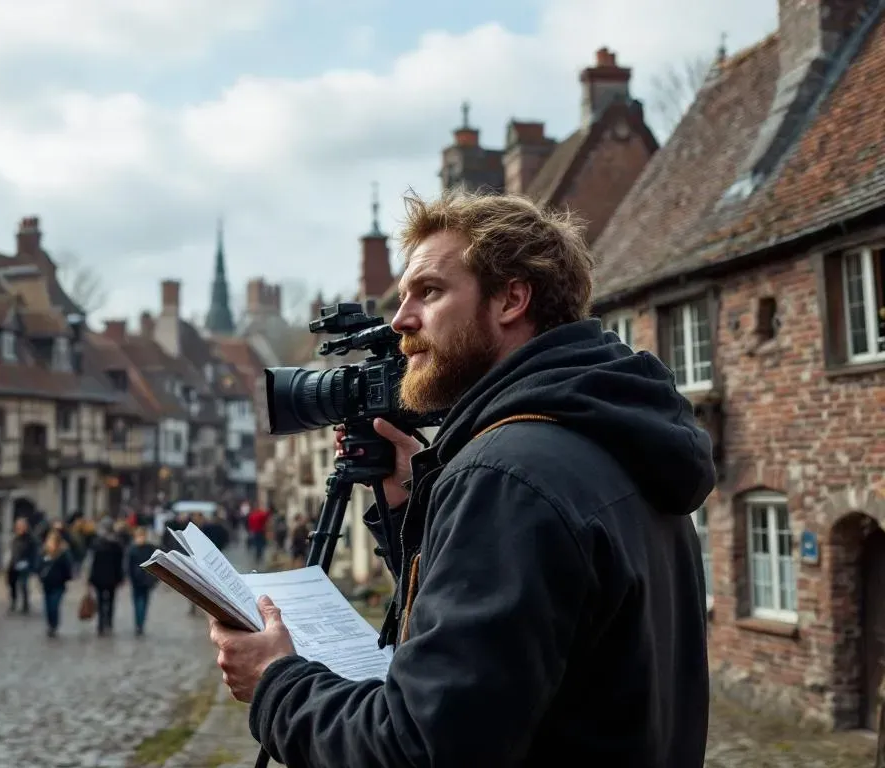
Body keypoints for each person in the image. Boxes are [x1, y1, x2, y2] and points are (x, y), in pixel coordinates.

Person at [206, 191, 714, 767]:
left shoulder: (508, 477)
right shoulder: (617, 437)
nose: (400, 321)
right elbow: (526, 646)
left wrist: (275, 682)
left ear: (511, 299)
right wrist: (413, 508)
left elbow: (419, 748)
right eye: (404, 296)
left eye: (429, 291)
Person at [87, 518, 125, 636]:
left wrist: (90, 577)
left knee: (101, 600)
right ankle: (108, 621)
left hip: (99, 577)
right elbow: (120, 563)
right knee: (110, 600)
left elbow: (92, 562)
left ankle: (101, 623)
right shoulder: (116, 543)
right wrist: (120, 577)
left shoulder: (97, 542)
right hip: (112, 577)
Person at [38, 528, 74, 638]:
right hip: (46, 584)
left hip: (59, 585)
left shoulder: (63, 553)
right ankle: (50, 624)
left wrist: (66, 578)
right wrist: (40, 574)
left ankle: (54, 625)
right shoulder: (44, 552)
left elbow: (68, 568)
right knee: (47, 607)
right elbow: (39, 565)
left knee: (54, 605)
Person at [125, 526, 159, 636]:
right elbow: (128, 565)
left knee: (141, 602)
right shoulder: (136, 549)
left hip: (143, 580)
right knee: (140, 602)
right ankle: (139, 623)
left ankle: (139, 623)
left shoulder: (146, 548)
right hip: (139, 580)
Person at [7, 517, 38, 613]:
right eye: (19, 526)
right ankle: (13, 602)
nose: (20, 528)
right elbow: (12, 551)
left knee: (23, 584)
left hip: (25, 565)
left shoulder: (31, 539)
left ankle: (25, 605)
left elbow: (34, 553)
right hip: (13, 564)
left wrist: (30, 564)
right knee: (12, 584)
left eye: (22, 526)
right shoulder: (15, 538)